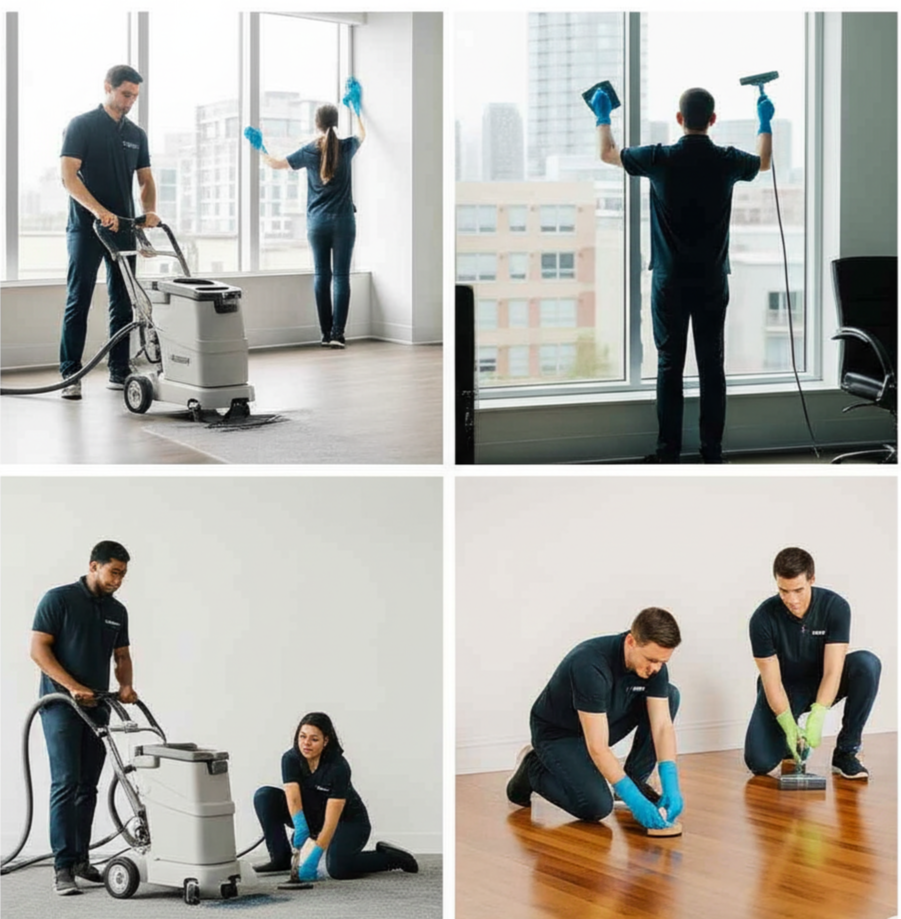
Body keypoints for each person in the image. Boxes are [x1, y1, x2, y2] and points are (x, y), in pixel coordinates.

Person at [591, 85, 774, 464]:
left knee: (669, 364)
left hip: (669, 281)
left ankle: (668, 452)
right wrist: (764, 122)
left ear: (679, 119)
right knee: (712, 366)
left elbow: (607, 154)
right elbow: (764, 162)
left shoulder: (660, 158)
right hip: (711, 281)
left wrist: (603, 116)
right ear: (712, 120)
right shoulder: (726, 160)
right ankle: (712, 454)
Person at [506, 608, 683, 831]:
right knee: (596, 806)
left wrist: (671, 784)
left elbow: (661, 727)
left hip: (602, 722)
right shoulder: (589, 664)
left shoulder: (655, 667)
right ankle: (532, 769)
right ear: (631, 641)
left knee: (670, 695)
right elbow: (597, 747)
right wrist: (635, 801)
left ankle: (634, 781)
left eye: (662, 661)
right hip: (560, 735)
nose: (655, 668)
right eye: (651, 660)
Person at [29, 541, 138, 896]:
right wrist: (73, 687)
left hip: (97, 707)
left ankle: (80, 859)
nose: (118, 580)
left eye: (123, 574)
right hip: (60, 705)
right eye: (113, 572)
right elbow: (38, 649)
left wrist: (126, 685)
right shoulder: (58, 599)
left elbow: (121, 655)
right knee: (66, 782)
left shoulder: (117, 611)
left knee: (88, 786)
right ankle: (62, 868)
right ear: (94, 566)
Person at [58, 65, 161, 401]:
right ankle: (70, 374)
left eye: (135, 96)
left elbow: (145, 180)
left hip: (123, 230)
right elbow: (69, 178)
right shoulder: (82, 125)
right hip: (86, 229)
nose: (130, 101)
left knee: (123, 302)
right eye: (125, 94)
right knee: (79, 299)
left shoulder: (136, 134)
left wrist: (148, 210)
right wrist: (98, 211)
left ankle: (119, 370)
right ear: (108, 87)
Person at [744, 547, 881, 780]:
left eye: (798, 590)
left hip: (824, 680)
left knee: (867, 664)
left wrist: (819, 713)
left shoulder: (835, 607)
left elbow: (832, 671)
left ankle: (846, 752)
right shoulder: (762, 618)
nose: (792, 600)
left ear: (812, 579)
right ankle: (792, 742)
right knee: (759, 762)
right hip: (784, 686)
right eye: (783, 591)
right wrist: (786, 721)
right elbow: (770, 679)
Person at [252, 712, 418, 880]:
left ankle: (392, 858)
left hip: (348, 822)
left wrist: (313, 860)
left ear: (326, 741)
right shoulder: (290, 758)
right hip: (314, 816)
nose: (306, 744)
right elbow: (293, 798)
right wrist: (300, 826)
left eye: (314, 739)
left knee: (339, 869)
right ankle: (280, 858)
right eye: (302, 737)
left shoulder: (338, 767)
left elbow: (331, 821)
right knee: (265, 796)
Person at [262, 100, 366, 349]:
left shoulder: (308, 151)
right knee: (341, 277)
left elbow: (275, 163)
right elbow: (363, 134)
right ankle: (338, 335)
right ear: (336, 123)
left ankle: (324, 334)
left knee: (322, 276)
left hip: (317, 223)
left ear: (316, 123)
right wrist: (357, 108)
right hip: (343, 222)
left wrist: (260, 147)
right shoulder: (346, 146)